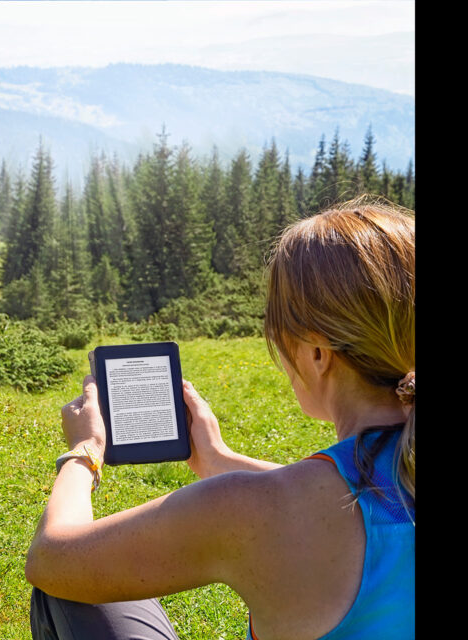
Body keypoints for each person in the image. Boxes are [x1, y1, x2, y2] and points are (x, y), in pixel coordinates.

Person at [26, 195, 415, 639]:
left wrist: (84, 451)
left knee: (68, 587)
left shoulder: (249, 509)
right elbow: (362, 500)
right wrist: (218, 458)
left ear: (317, 351)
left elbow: (51, 558)